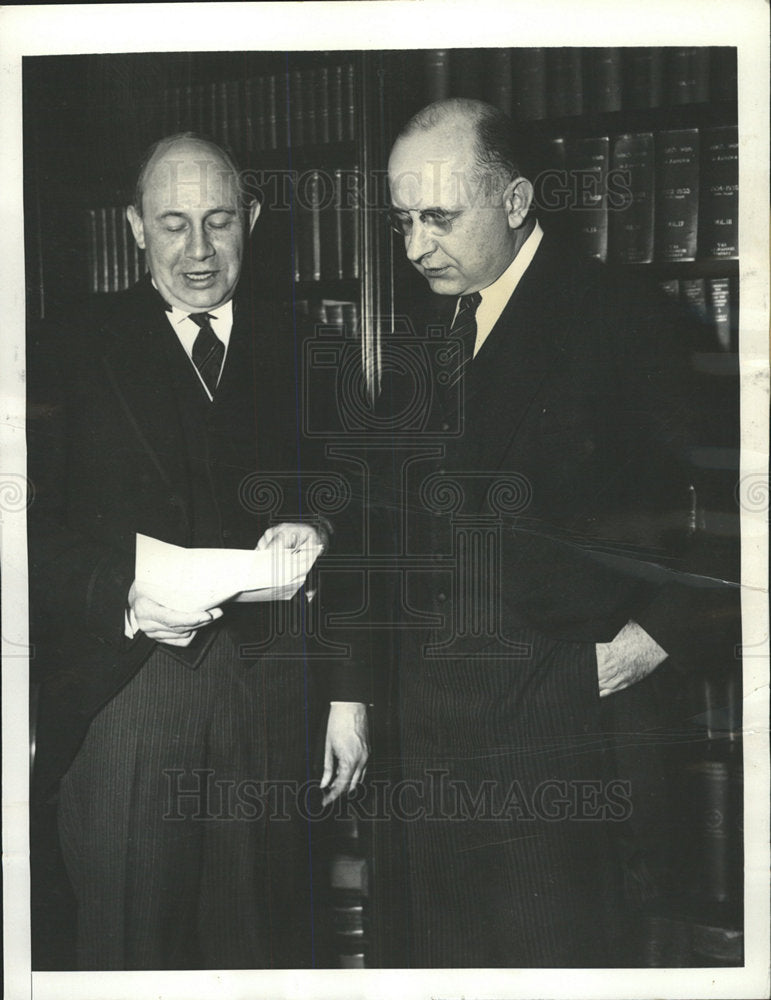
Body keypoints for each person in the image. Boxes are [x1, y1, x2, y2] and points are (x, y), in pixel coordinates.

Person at [378, 98, 738, 967]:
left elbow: (746, 495)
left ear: (514, 200)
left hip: (565, 734)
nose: (416, 246)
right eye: (402, 221)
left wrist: (655, 638)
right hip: (430, 737)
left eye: (438, 217)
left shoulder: (623, 314)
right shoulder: (429, 332)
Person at [28, 133, 369, 970]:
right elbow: (22, 523)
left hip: (273, 690)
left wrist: (346, 690)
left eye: (219, 222)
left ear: (250, 219)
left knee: (262, 950)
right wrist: (121, 593)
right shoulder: (62, 345)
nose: (199, 251)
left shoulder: (310, 344)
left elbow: (361, 504)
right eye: (173, 224)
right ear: (135, 229)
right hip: (129, 692)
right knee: (132, 951)